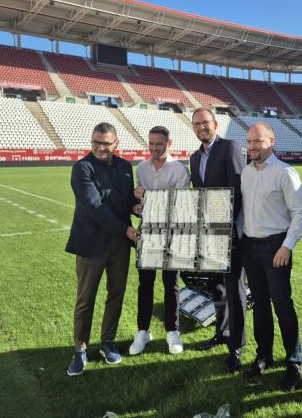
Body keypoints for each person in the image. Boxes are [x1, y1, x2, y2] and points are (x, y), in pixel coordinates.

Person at [65, 122, 140, 376]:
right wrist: (127, 230)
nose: (100, 147)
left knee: (116, 294)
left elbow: (125, 201)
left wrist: (136, 207)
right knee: (86, 299)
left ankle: (107, 342)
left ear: (116, 143)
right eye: (96, 142)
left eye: (106, 143)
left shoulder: (124, 166)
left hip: (119, 245)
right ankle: (80, 349)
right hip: (91, 244)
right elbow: (96, 207)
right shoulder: (82, 168)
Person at [240, 122, 302, 391]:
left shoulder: (284, 173)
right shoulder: (246, 172)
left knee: (282, 305)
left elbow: (300, 213)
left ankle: (294, 362)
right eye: (249, 141)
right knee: (260, 304)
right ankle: (264, 355)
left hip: (275, 248)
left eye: (258, 141)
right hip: (250, 247)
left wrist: (287, 246)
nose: (253, 146)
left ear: (271, 141)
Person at [188, 107, 247, 373]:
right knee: (217, 288)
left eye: (205, 122)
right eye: (196, 123)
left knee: (234, 290)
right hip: (209, 233)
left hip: (230, 233)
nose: (201, 127)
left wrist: (225, 227)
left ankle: (237, 345)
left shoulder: (230, 147)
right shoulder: (193, 157)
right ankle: (222, 333)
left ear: (214, 124)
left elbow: (237, 190)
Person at [128, 126, 191, 356]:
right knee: (145, 284)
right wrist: (137, 206)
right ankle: (142, 331)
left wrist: (147, 198)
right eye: (151, 143)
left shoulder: (180, 170)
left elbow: (180, 206)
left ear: (168, 144)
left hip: (171, 235)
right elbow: (140, 206)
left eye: (159, 144)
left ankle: (172, 331)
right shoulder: (142, 167)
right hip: (147, 233)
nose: (154, 148)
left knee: (171, 284)